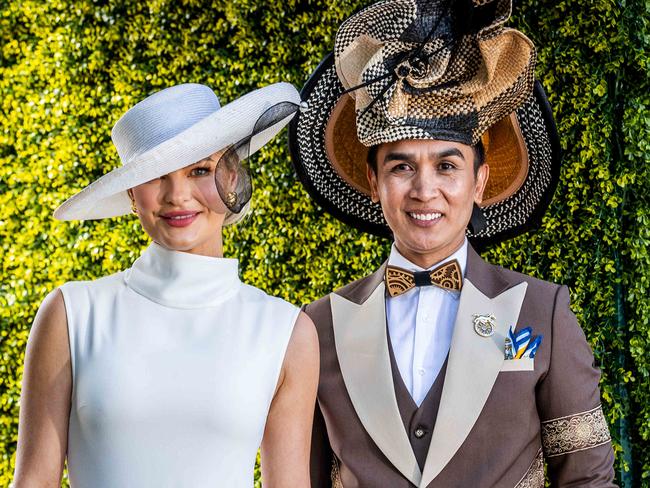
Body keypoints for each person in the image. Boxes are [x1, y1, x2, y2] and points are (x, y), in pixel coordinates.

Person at [289, 0, 616, 486]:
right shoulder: (318, 326)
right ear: (374, 182)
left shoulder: (541, 312)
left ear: (480, 182)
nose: (425, 190)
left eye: (447, 166)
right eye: (401, 166)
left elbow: (588, 479)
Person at [13, 82, 318, 487]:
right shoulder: (72, 314)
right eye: (157, 175)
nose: (178, 195)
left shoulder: (286, 331)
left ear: (231, 177)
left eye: (199, 170)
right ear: (131, 195)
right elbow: (33, 482)